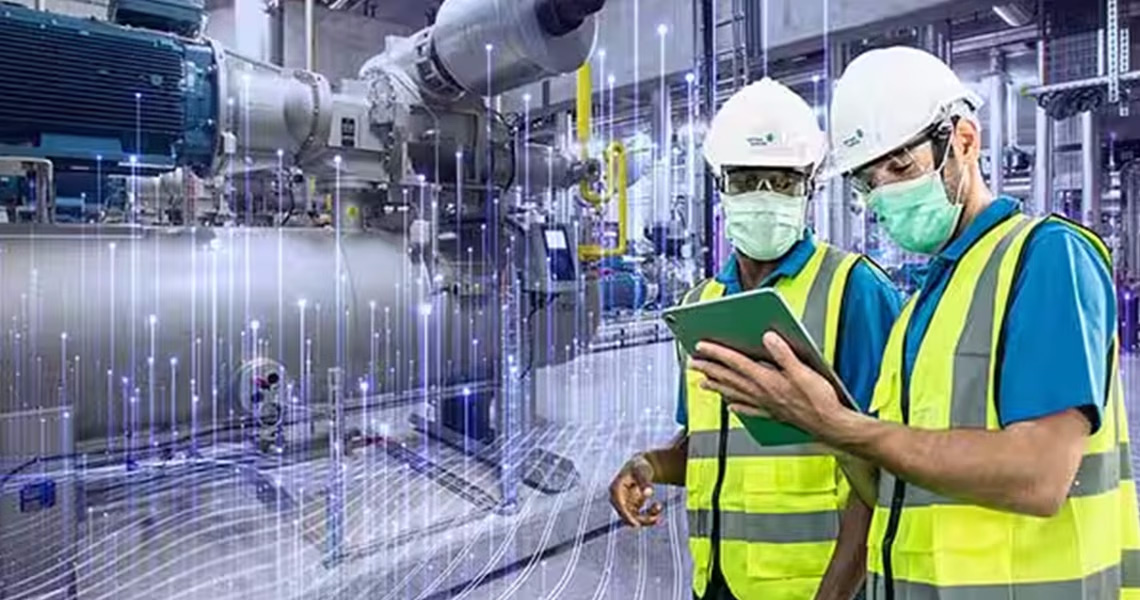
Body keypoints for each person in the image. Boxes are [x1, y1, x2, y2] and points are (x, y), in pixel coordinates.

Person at [691, 46, 1140, 600]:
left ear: (964, 142)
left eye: (900, 166)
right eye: (867, 181)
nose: (885, 193)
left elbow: (1041, 474)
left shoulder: (1045, 257)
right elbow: (888, 480)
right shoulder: (920, 308)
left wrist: (839, 425)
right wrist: (808, 417)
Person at [608, 77, 902, 600]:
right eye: (747, 179)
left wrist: (834, 595)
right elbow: (710, 443)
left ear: (810, 184)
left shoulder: (853, 290)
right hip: (717, 583)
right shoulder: (701, 305)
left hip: (819, 588)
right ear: (721, 186)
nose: (764, 197)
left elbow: (885, 469)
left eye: (783, 181)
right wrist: (650, 463)